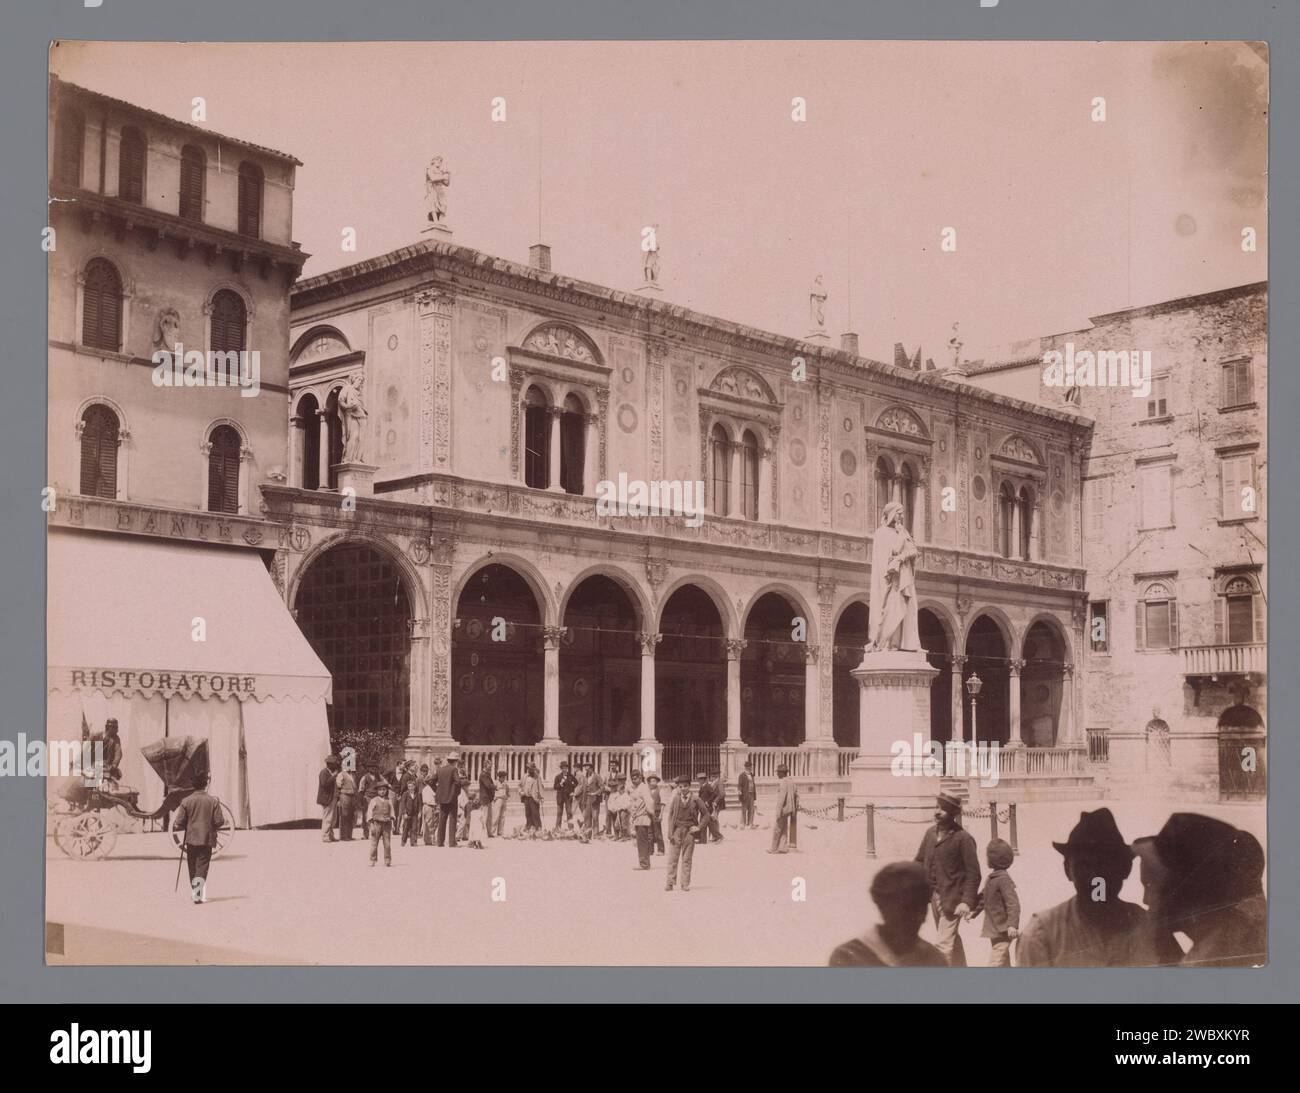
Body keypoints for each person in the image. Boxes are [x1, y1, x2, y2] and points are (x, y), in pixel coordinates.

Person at [1018, 808, 1167, 967]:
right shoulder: (1041, 936)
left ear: (1125, 869)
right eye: (1085, 866)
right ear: (1068, 870)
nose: (1096, 879)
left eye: (1105, 865)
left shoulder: (1149, 928)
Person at [1132, 813, 1267, 968]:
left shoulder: (1216, 959)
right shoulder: (1229, 940)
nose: (1145, 899)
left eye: (1150, 887)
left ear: (1184, 893)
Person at [828, 862, 948, 967]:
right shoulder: (849, 958)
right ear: (883, 907)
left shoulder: (934, 960)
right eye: (907, 909)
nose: (920, 918)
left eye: (923, 908)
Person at [913, 792, 980, 966]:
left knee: (943, 945)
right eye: (937, 807)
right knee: (950, 939)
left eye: (943, 809)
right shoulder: (930, 834)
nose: (938, 812)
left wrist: (966, 902)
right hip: (933, 896)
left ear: (953, 814)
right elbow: (919, 861)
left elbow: (974, 873)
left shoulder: (963, 839)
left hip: (953, 900)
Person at [170, 771, 226, 905]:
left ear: (193, 785)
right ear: (205, 785)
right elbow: (219, 821)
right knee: (202, 866)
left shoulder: (186, 801)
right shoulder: (213, 801)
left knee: (192, 866)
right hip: (207, 839)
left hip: (191, 839)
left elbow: (179, 822)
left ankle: (196, 891)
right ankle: (198, 894)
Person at [976, 838, 1021, 967]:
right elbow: (984, 899)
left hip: (1004, 930)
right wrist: (973, 913)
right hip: (994, 929)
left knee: (994, 963)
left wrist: (1012, 925)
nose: (986, 859)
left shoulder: (1003, 879)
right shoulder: (993, 877)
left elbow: (1013, 903)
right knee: (1004, 962)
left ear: (994, 859)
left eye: (988, 856)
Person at [665, 774, 709, 892]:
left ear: (689, 786)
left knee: (687, 858)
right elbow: (670, 815)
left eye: (685, 786)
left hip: (689, 832)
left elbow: (706, 814)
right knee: (673, 858)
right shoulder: (676, 798)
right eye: (680, 786)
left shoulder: (696, 799)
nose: (683, 788)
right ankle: (670, 882)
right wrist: (670, 831)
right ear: (678, 787)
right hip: (677, 831)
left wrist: (698, 827)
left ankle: (685, 883)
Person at [628, 770, 656, 869]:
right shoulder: (636, 788)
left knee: (642, 841)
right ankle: (644, 862)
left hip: (643, 817)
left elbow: (649, 802)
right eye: (632, 778)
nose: (634, 780)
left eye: (636, 778)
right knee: (641, 841)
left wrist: (651, 814)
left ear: (640, 777)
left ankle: (644, 864)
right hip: (638, 817)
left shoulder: (643, 788)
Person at [434, 750, 463, 847]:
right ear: (455, 761)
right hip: (452, 798)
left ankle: (440, 842)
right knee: (453, 819)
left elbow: (430, 781)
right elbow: (458, 782)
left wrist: (438, 790)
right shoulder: (454, 770)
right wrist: (456, 792)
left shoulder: (440, 770)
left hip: (442, 798)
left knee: (442, 820)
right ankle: (451, 842)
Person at [768, 764, 797, 854]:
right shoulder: (791, 781)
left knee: (777, 829)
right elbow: (796, 794)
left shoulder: (783, 782)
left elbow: (781, 798)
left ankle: (774, 848)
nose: (777, 774)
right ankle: (783, 847)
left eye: (778, 772)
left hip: (783, 809)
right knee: (784, 828)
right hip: (790, 809)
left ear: (782, 773)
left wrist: (778, 811)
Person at [367, 783, 395, 867]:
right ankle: (372, 859)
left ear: (386, 790)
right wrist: (371, 825)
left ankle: (387, 859)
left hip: (386, 824)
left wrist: (392, 824)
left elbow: (392, 812)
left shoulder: (389, 800)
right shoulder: (374, 800)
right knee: (374, 843)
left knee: (387, 844)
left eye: (384, 789)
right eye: (380, 790)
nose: (382, 791)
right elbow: (369, 813)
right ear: (377, 791)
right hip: (376, 824)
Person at [577, 763, 604, 841]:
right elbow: (582, 788)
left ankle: (595, 834)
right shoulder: (585, 778)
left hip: (595, 800)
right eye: (585, 769)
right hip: (587, 800)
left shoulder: (597, 776)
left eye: (588, 769)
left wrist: (595, 793)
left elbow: (602, 787)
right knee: (587, 817)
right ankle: (588, 834)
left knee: (595, 817)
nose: (587, 770)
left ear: (592, 768)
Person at [317, 754, 341, 843]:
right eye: (334, 764)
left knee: (332, 818)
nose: (336, 765)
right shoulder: (324, 772)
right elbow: (324, 785)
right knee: (327, 818)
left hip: (333, 798)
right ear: (329, 764)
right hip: (327, 799)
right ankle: (325, 836)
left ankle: (331, 835)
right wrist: (333, 776)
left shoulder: (330, 773)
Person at [336, 764, 358, 842]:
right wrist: (338, 799)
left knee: (351, 815)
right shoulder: (341, 774)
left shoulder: (352, 774)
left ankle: (349, 835)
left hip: (352, 796)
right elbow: (338, 786)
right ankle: (343, 836)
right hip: (344, 795)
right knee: (344, 815)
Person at [553, 761, 577, 830]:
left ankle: (571, 829)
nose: (564, 769)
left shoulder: (571, 776)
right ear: (561, 769)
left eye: (566, 768)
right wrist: (560, 784)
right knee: (559, 813)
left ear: (567, 768)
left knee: (569, 813)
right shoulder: (558, 777)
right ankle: (557, 828)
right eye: (563, 768)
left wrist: (572, 790)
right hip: (560, 798)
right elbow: (555, 787)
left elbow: (576, 783)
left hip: (568, 797)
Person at [521, 763, 543, 835]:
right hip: (526, 797)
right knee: (527, 813)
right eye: (528, 768)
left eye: (531, 768)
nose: (529, 770)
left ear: (533, 769)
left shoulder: (537, 777)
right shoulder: (525, 776)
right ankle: (529, 826)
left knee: (535, 813)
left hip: (534, 798)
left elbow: (540, 788)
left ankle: (538, 827)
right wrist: (521, 792)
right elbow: (520, 785)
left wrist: (541, 797)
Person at [399, 777, 422, 847]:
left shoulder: (417, 795)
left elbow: (420, 804)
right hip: (407, 814)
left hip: (414, 814)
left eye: (412, 786)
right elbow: (403, 804)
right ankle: (403, 841)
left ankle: (414, 842)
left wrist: (420, 812)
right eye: (409, 786)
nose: (410, 788)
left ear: (414, 786)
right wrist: (404, 813)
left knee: (414, 828)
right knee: (406, 828)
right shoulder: (405, 794)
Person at [647, 774, 666, 855]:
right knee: (649, 832)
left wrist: (661, 814)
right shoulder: (648, 791)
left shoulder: (660, 791)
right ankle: (650, 850)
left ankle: (661, 850)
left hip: (657, 813)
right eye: (651, 781)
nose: (652, 783)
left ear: (657, 782)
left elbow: (663, 804)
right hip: (649, 813)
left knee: (658, 832)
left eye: (654, 781)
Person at [477, 766, 496, 838]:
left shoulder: (487, 774)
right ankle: (483, 833)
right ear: (486, 767)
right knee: (484, 816)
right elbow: (488, 785)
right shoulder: (483, 775)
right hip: (485, 798)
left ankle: (489, 832)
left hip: (488, 798)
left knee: (489, 817)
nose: (491, 769)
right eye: (489, 768)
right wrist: (495, 787)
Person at [420, 770, 438, 846]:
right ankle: (432, 839)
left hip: (424, 806)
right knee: (430, 823)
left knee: (425, 823)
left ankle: (426, 839)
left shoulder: (425, 789)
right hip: (429, 806)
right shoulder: (430, 789)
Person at [738, 760, 756, 828]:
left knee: (751, 809)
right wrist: (739, 791)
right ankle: (743, 823)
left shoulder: (752, 774)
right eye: (749, 767)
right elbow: (739, 784)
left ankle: (750, 823)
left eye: (750, 767)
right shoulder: (742, 775)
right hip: (745, 794)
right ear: (746, 767)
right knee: (744, 809)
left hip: (751, 794)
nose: (750, 768)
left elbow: (753, 784)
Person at [493, 769, 510, 836]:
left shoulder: (505, 784)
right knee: (496, 816)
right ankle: (493, 831)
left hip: (504, 800)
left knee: (503, 816)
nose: (504, 778)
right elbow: (493, 792)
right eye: (502, 777)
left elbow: (508, 791)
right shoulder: (495, 783)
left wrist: (507, 795)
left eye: (504, 777)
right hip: (498, 800)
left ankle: (500, 831)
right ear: (499, 777)